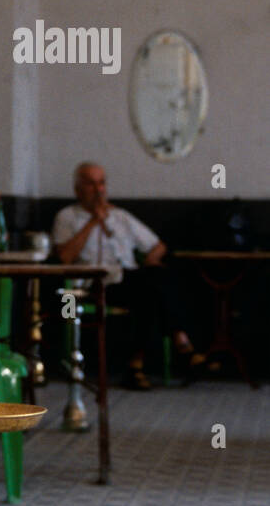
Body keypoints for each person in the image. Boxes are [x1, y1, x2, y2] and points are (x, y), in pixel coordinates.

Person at [52, 162, 199, 389]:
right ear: (78, 189)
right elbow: (65, 258)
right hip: (94, 284)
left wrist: (151, 260)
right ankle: (181, 344)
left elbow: (157, 246)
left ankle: (137, 365)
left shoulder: (120, 216)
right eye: (91, 184)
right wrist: (93, 221)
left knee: (153, 286)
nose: (98, 189)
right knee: (150, 287)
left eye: (101, 183)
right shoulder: (67, 217)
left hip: (131, 280)